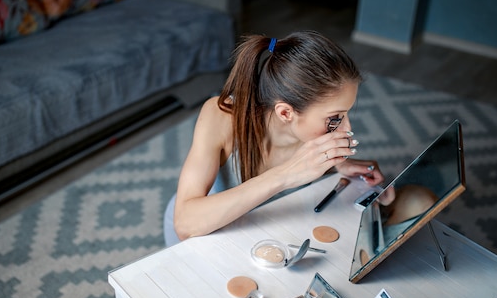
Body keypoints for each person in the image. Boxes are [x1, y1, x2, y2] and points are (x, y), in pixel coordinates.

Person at [163, 30, 384, 246]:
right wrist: (284, 175)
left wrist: (340, 167)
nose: (347, 127)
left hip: (256, 232)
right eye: (335, 117)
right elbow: (185, 223)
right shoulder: (222, 115)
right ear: (285, 113)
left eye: (346, 113)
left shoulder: (313, 131)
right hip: (205, 232)